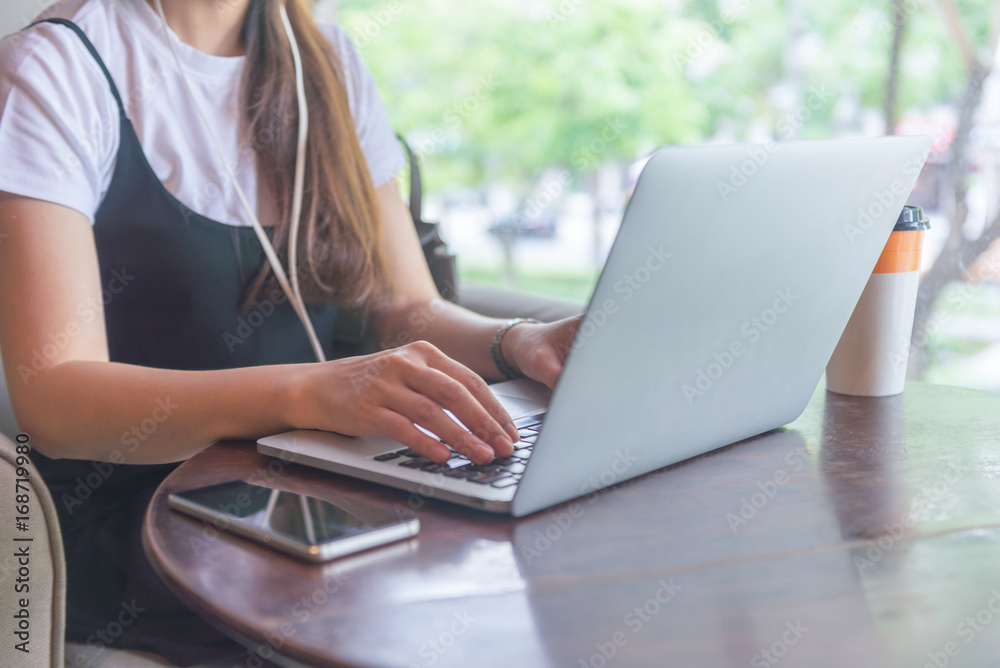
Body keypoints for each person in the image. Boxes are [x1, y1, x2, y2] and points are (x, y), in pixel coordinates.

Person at [0, 0, 580, 663]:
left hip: (314, 485)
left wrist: (516, 342)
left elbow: (402, 307)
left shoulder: (329, 63)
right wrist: (307, 393)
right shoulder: (52, 71)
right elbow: (54, 399)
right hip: (144, 517)